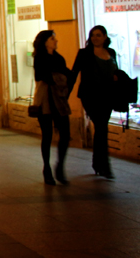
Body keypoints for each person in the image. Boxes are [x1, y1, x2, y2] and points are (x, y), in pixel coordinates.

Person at [71, 25, 118, 179]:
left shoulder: (111, 53)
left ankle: (98, 163)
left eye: (98, 35)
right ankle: (104, 165)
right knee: (101, 126)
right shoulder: (84, 54)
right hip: (90, 96)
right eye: (93, 35)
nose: (95, 38)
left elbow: (116, 71)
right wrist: (64, 95)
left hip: (107, 96)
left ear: (105, 37)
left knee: (101, 128)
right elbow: (74, 73)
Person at [32, 30, 73, 186]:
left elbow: (66, 76)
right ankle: (47, 168)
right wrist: (60, 77)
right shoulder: (40, 58)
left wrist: (61, 77)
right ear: (45, 42)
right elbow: (43, 77)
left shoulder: (59, 58)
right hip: (45, 102)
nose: (56, 41)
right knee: (47, 135)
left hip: (60, 101)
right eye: (52, 38)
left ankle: (60, 166)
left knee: (65, 134)